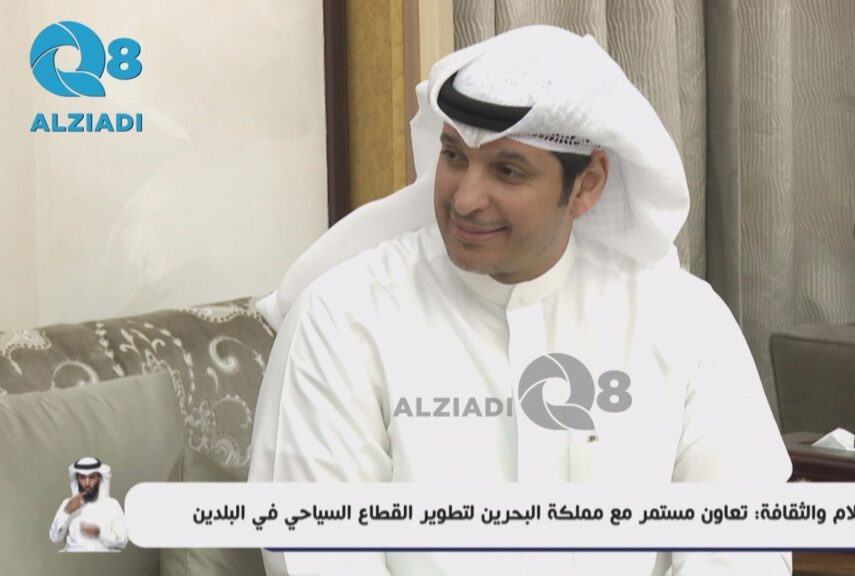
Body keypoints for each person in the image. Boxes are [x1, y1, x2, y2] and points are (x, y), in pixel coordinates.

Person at [249, 25, 792, 575]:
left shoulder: (684, 322)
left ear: (587, 185)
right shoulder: (343, 319)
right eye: (454, 156)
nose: (465, 199)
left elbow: (742, 545)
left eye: (507, 171)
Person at [49, 456, 128, 552]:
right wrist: (66, 512)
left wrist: (100, 533)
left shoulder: (112, 505)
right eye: (82, 477)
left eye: (92, 477)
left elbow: (123, 542)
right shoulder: (68, 503)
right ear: (77, 479)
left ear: (99, 478)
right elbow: (54, 538)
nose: (87, 483)